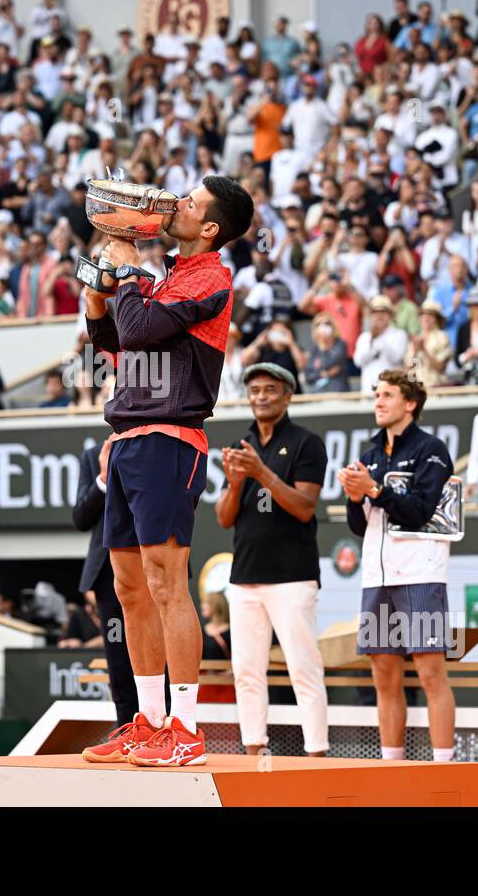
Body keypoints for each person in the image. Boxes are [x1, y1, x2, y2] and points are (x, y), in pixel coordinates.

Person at [80, 175, 253, 768]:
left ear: (211, 228)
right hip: (127, 435)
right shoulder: (168, 275)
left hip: (170, 438)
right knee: (128, 588)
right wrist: (97, 299)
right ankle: (148, 720)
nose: (173, 205)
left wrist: (127, 272)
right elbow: (117, 343)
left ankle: (186, 726)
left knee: (164, 583)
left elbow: (141, 330)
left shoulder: (211, 277)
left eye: (189, 203)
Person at [339, 370, 457, 763]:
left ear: (410, 404)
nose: (379, 402)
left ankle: (445, 767)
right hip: (376, 577)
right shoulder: (370, 453)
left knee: (430, 675)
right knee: (383, 677)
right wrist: (355, 499)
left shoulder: (432, 449)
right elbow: (359, 526)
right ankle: (392, 766)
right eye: (377, 395)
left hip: (421, 575)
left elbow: (421, 510)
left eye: (388, 395)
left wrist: (374, 489)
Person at [215, 363, 329, 758]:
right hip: (244, 575)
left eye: (269, 389)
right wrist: (234, 483)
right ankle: (253, 751)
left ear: (287, 396)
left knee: (303, 669)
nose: (260, 396)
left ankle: (316, 754)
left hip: (292, 576)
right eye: (254, 390)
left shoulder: (306, 443)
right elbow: (224, 516)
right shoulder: (240, 443)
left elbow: (304, 507)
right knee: (246, 672)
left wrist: (262, 473)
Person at [73, 434, 139, 735]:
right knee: (117, 654)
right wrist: (102, 476)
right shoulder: (92, 455)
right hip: (107, 572)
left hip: (152, 563)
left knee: (157, 649)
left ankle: (164, 725)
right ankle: (126, 726)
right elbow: (81, 517)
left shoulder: (157, 447)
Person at [353, 295, 410, 393]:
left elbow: (396, 357)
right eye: (376, 312)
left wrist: (380, 338)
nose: (379, 316)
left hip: (391, 391)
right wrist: (372, 340)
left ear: (390, 315)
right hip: (368, 390)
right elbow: (358, 361)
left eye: (383, 312)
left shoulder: (399, 334)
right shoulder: (364, 337)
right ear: (371, 316)